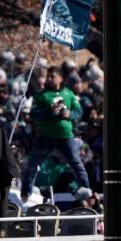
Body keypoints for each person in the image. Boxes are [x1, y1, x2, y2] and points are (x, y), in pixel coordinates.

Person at [20, 70, 92, 198]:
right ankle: (26, 192)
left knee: (76, 163)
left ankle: (86, 188)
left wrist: (70, 114)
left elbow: (79, 111)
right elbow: (34, 115)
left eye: (52, 76)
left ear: (61, 78)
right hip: (45, 136)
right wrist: (49, 111)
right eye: (48, 76)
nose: (49, 79)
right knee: (33, 164)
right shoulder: (41, 95)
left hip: (66, 136)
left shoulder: (69, 93)